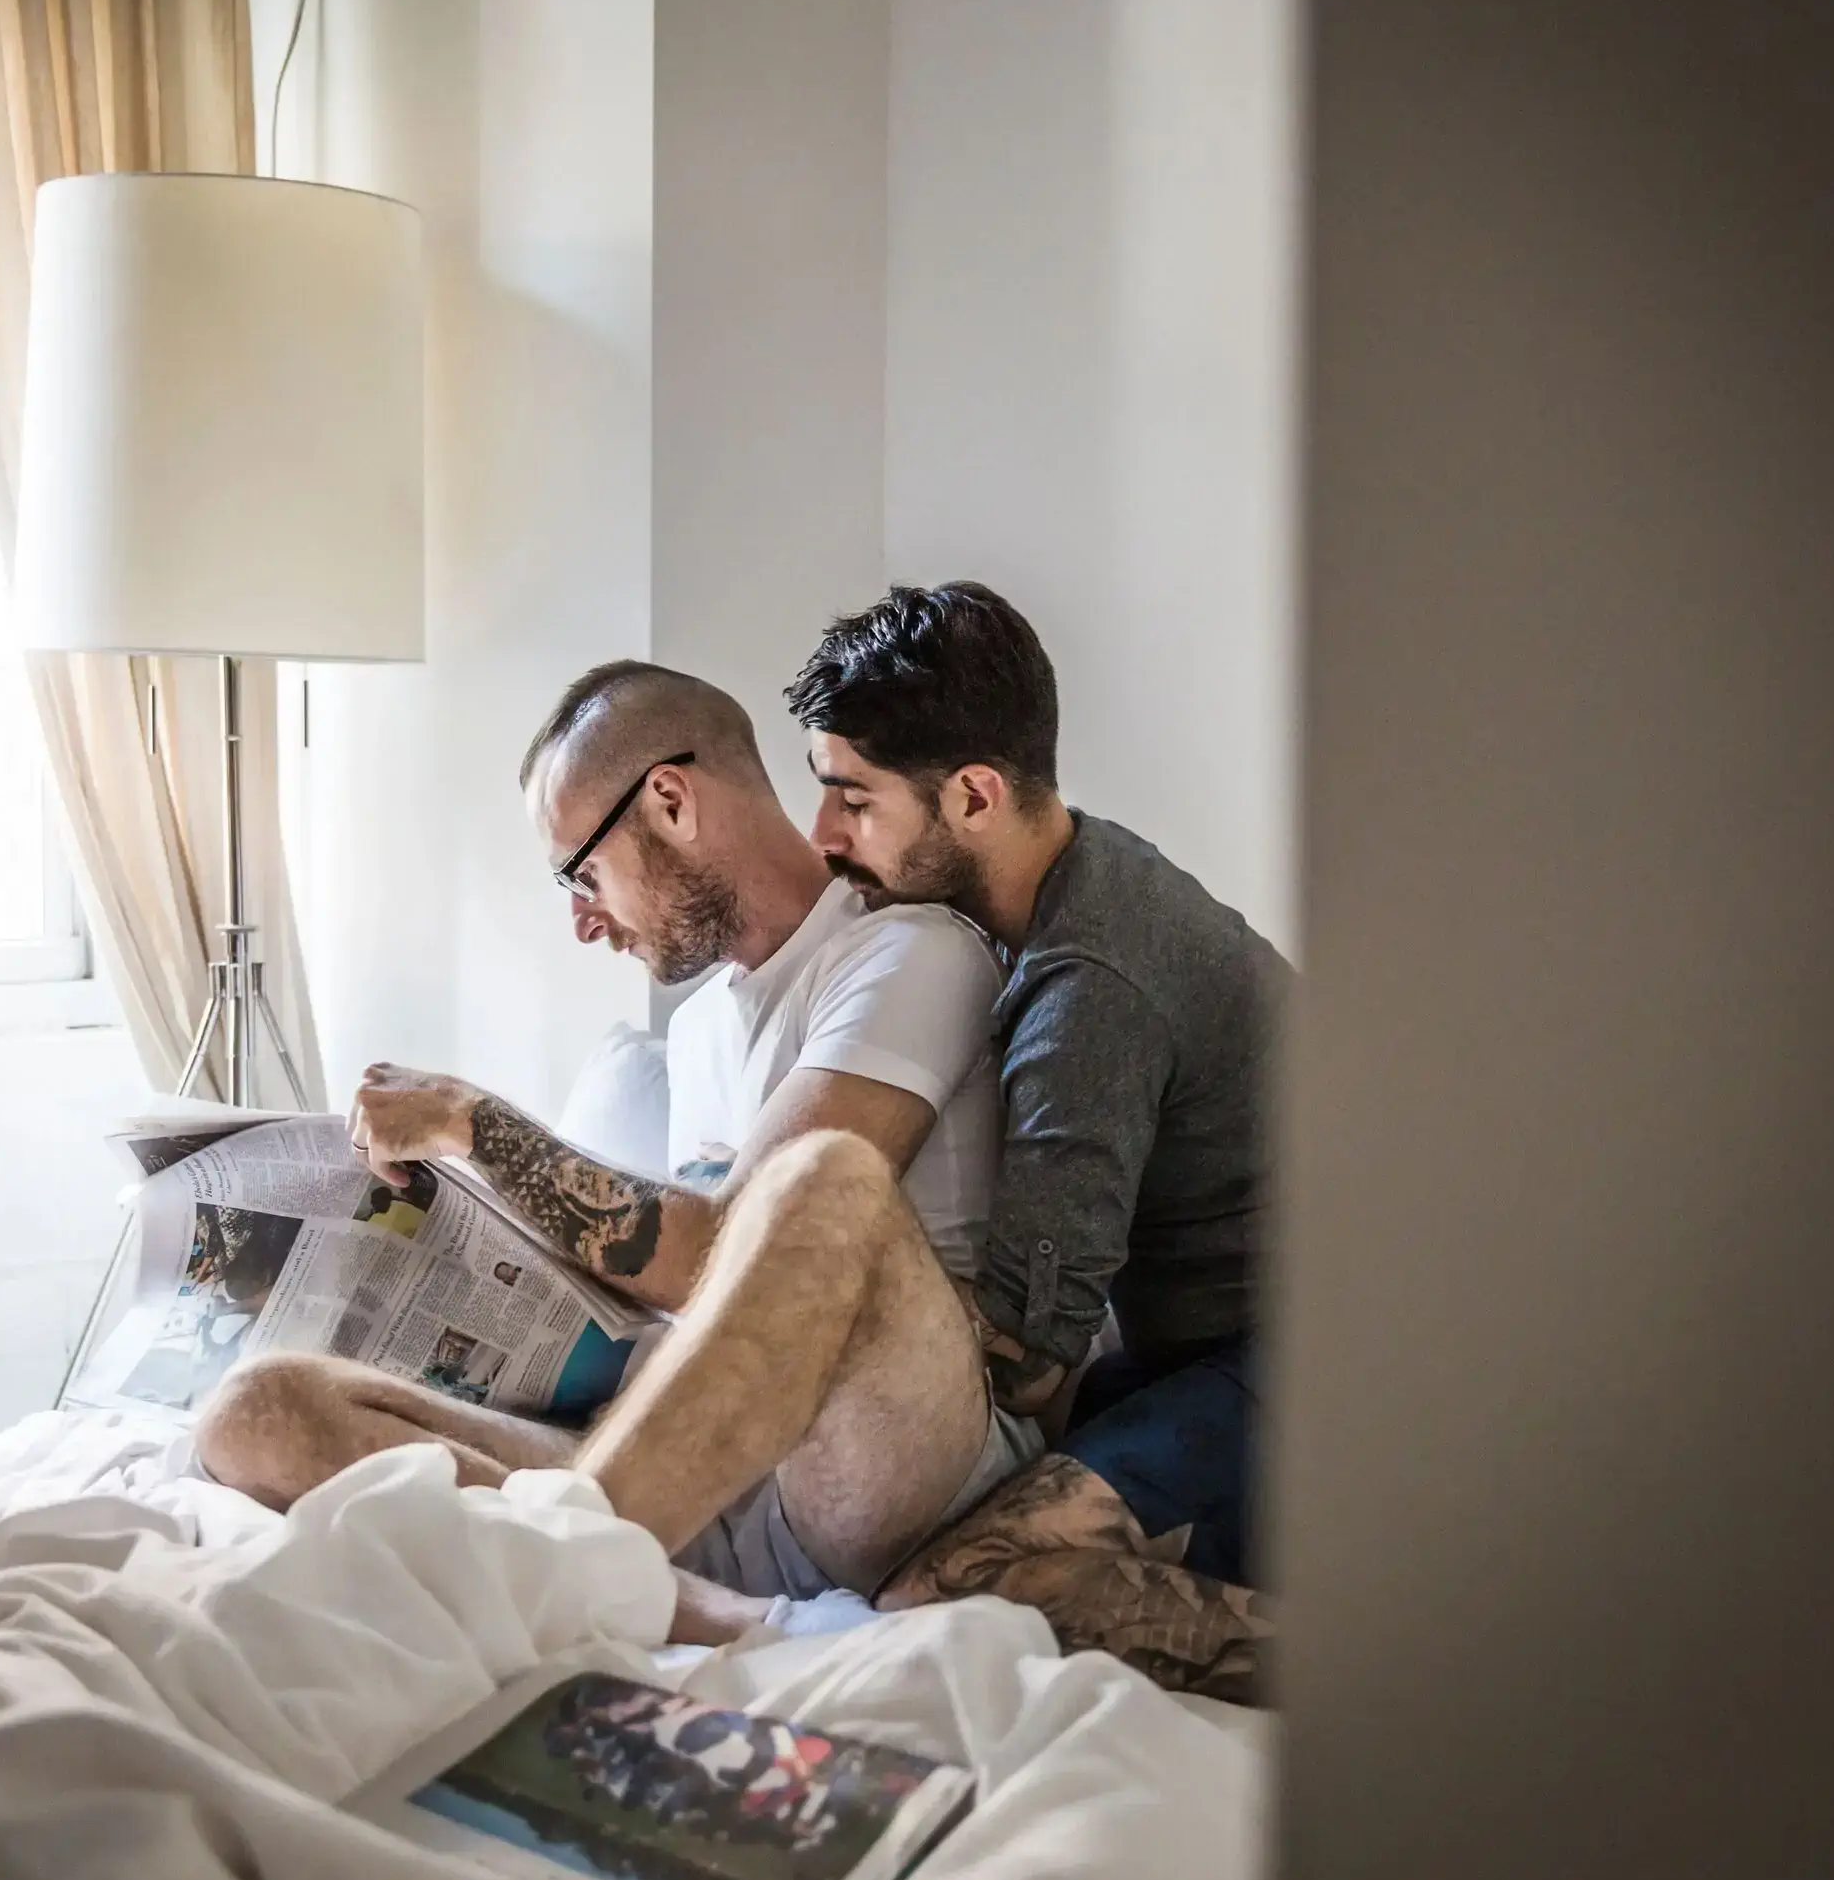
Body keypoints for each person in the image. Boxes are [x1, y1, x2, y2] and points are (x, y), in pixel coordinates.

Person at [192, 662, 1036, 1642]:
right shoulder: (703, 1027)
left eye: (582, 875)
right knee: (256, 1409)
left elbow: (723, 1245)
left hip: (873, 1454)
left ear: (670, 801)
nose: (583, 920)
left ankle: (577, 1564)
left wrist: (477, 1123)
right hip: (687, 1474)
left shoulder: (909, 953)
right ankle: (701, 1611)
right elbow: (674, 1285)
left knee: (824, 1182)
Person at [788, 581, 1286, 1701]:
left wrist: (839, 1279)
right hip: (1206, 1348)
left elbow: (1028, 1358)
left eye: (852, 801)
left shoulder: (1086, 990)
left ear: (972, 795)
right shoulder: (1086, 869)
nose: (824, 838)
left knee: (939, 1596)